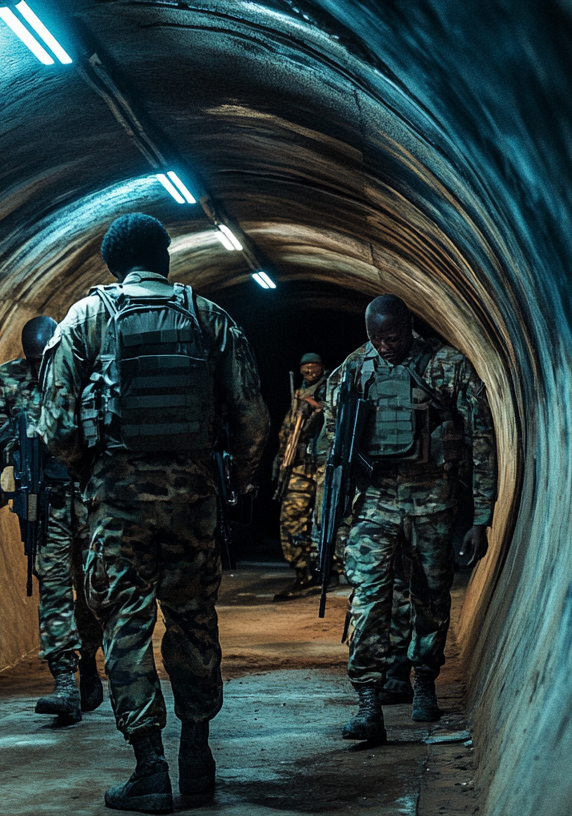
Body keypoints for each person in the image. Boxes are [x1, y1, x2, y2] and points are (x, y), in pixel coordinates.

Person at [38, 213, 268, 812]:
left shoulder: (87, 319)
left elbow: (57, 424)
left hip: (118, 508)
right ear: (166, 257)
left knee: (127, 631)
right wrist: (235, 480)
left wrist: (92, 472)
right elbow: (252, 417)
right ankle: (197, 755)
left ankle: (150, 769)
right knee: (194, 622)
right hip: (194, 504)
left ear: (112, 263)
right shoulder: (208, 317)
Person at [314, 294, 496, 742]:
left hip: (433, 501)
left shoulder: (446, 366)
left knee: (430, 596)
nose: (384, 346)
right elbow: (330, 449)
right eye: (376, 338)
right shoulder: (354, 370)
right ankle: (368, 701)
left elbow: (481, 439)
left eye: (392, 337)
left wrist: (482, 515)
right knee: (368, 597)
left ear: (408, 326)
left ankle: (425, 683)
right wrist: (328, 514)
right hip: (375, 502)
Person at [0, 316, 105, 721]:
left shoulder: (85, 369)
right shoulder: (7, 377)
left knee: (93, 586)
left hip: (87, 495)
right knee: (52, 584)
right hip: (42, 497)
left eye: (43, 359)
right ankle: (64, 681)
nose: (37, 368)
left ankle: (88, 658)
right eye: (31, 360)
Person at [272, 352, 327, 601]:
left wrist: (317, 409)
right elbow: (287, 431)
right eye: (305, 369)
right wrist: (281, 458)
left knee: (326, 519)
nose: (309, 373)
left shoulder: (330, 388)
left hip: (326, 464)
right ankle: (304, 572)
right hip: (300, 464)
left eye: (314, 369)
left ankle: (331, 569)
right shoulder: (298, 395)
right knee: (292, 516)